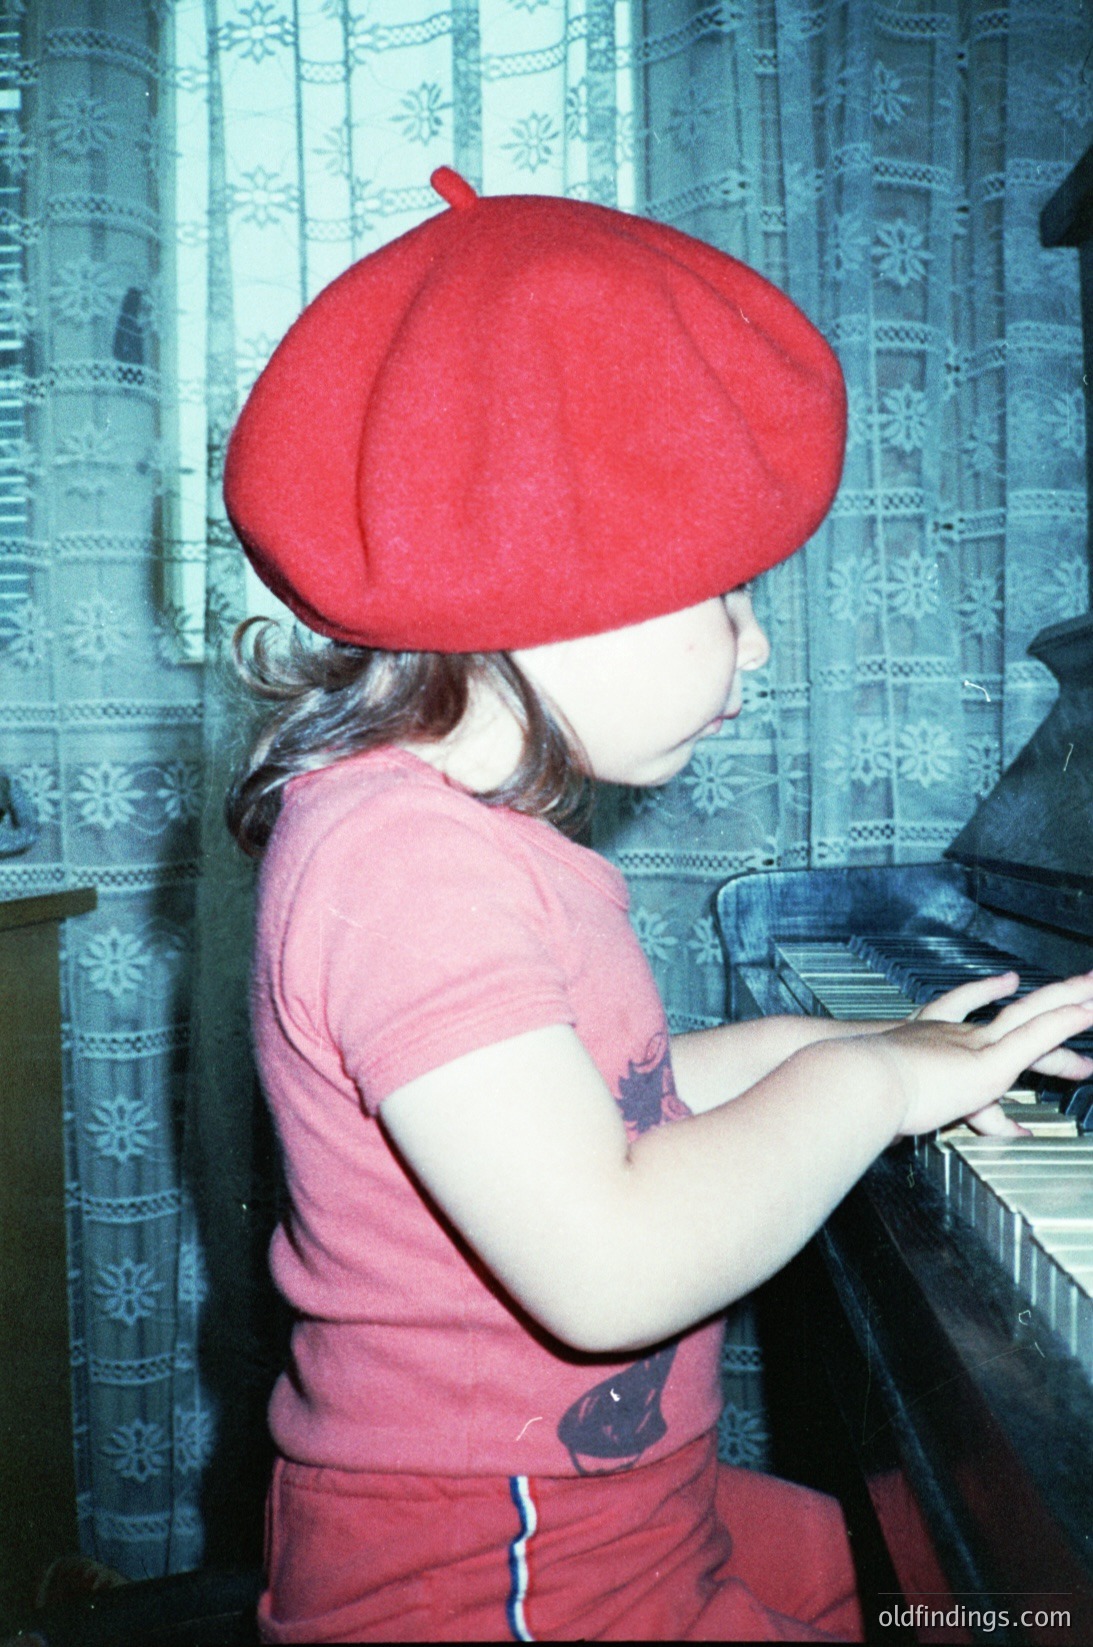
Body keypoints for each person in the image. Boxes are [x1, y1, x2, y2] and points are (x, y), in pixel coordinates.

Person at [223, 167, 1093, 1643]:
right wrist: (862, 1075)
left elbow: (585, 1107)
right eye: (728, 598)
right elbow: (609, 1267)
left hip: (604, 1507)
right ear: (553, 577)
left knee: (973, 1591)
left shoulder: (453, 839)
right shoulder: (403, 870)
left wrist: (830, 1052)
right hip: (486, 1579)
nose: (755, 655)